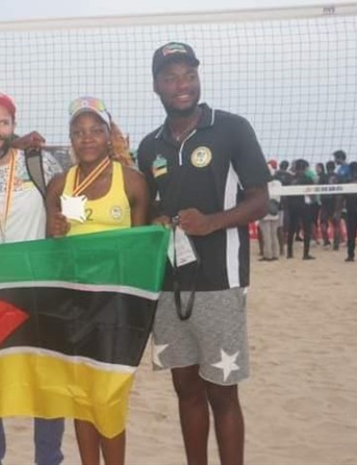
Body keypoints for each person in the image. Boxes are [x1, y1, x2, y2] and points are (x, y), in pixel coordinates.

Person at [136, 42, 269, 465]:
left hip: (220, 282)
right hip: (169, 284)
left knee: (222, 393)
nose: (182, 85)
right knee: (186, 390)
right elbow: (150, 206)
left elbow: (261, 201)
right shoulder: (149, 146)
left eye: (189, 75)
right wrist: (157, 217)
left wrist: (212, 222)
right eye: (172, 76)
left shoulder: (231, 129)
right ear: (156, 85)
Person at [0, 90, 66, 465]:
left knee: (47, 386)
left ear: (13, 126)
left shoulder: (42, 165)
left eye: (3, 122)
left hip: (40, 291)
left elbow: (71, 202)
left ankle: (49, 459)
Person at [45, 96, 149, 465]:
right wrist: (54, 234)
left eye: (94, 130)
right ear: (71, 139)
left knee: (108, 397)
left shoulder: (133, 183)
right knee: (81, 396)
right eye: (78, 132)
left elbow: (142, 253)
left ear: (109, 135)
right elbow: (51, 255)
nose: (86, 138)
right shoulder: (60, 184)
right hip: (73, 304)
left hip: (117, 307)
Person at [286, 159, 316, 260]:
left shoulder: (290, 179)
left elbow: (286, 195)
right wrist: (312, 201)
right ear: (305, 168)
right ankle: (305, 254)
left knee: (292, 229)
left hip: (292, 206)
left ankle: (289, 253)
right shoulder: (307, 179)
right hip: (304, 206)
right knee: (307, 229)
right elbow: (312, 195)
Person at [259, 166, 282, 262]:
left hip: (265, 210)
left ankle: (268, 255)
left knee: (266, 234)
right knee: (274, 234)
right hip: (274, 210)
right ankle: (275, 254)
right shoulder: (278, 183)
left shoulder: (262, 183)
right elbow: (278, 196)